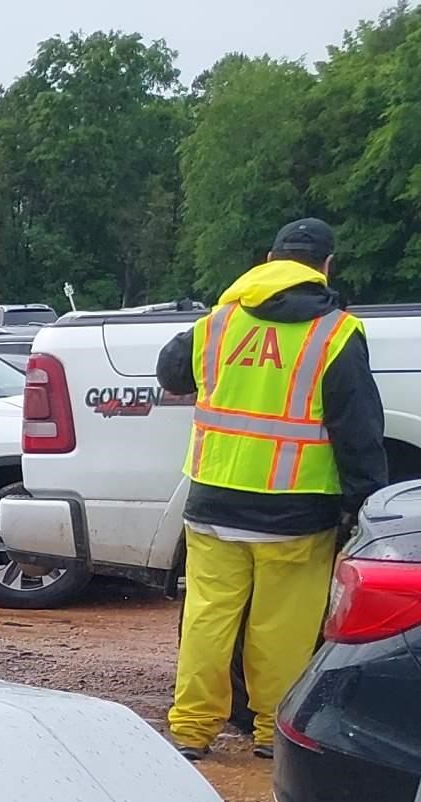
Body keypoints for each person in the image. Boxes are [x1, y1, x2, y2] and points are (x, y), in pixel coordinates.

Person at [155, 217, 388, 759]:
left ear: (268, 260)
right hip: (296, 511)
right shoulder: (336, 332)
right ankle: (270, 734)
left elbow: (171, 373)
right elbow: (358, 430)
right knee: (280, 628)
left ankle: (191, 730)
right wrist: (363, 504)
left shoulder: (219, 323)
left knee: (208, 617)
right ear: (326, 268)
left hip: (214, 500)